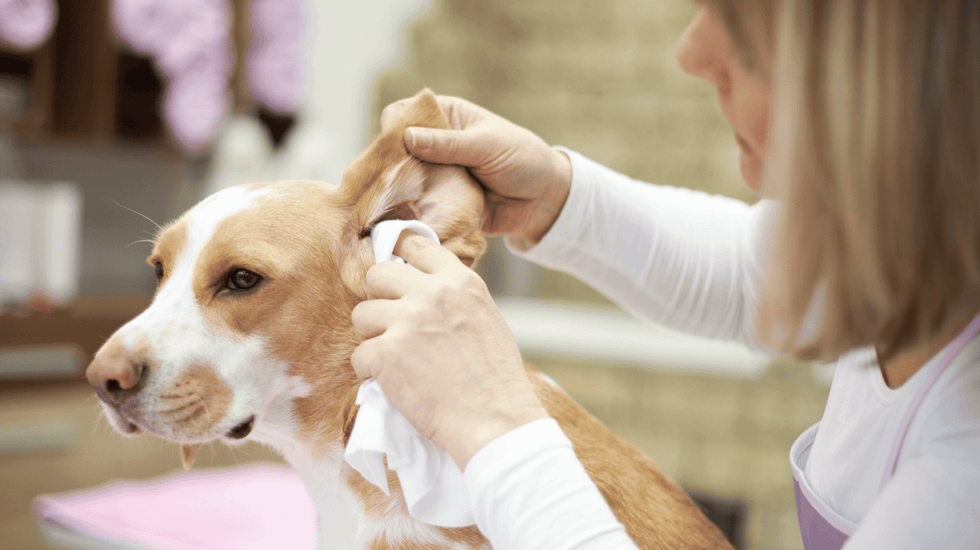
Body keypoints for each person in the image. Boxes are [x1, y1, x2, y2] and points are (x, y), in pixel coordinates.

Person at [349, 0, 980, 548]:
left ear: (885, 97)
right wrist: (554, 196)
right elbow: (747, 272)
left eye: (752, 48)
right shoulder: (920, 256)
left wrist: (490, 423)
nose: (691, 53)